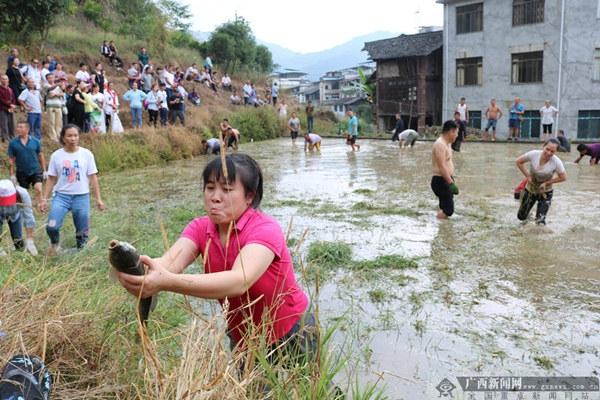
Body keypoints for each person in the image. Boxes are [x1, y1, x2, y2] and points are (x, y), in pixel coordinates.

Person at [115, 153, 315, 360]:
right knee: (254, 393)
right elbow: (167, 265)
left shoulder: (265, 229)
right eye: (210, 188)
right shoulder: (200, 228)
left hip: (292, 329)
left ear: (249, 196)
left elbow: (239, 280)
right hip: (243, 336)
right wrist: (133, 268)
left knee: (316, 390)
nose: (215, 197)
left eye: (227, 189)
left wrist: (167, 282)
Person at [40, 124, 105, 254]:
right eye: (69, 136)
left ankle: (81, 252)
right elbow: (51, 178)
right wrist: (44, 199)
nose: (73, 138)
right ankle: (55, 245)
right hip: (61, 197)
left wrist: (98, 199)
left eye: (75, 135)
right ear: (63, 138)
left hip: (81, 197)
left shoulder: (86, 154)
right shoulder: (56, 156)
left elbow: (93, 177)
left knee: (82, 231)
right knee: (52, 226)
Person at [516, 138, 567, 225]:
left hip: (545, 192)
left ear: (555, 152)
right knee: (521, 217)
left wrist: (546, 183)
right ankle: (529, 216)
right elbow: (519, 162)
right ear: (543, 146)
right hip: (530, 189)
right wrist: (528, 176)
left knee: (540, 222)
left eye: (552, 151)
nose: (549, 153)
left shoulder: (556, 162)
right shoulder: (534, 154)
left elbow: (563, 177)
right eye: (547, 149)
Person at [8, 120, 47, 207]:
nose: (18, 129)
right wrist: (12, 174)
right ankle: (26, 208)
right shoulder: (13, 143)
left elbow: (41, 156)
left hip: (35, 170)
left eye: (21, 127)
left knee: (38, 189)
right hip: (21, 172)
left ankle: (41, 206)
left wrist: (44, 170)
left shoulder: (35, 141)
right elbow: (11, 159)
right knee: (24, 193)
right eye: (17, 127)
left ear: (27, 129)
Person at [431, 120, 459, 219]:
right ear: (451, 131)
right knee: (448, 210)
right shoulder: (440, 144)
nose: (457, 136)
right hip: (441, 180)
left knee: (445, 207)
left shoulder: (448, 143)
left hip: (446, 179)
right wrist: (451, 183)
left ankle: (441, 226)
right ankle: (438, 225)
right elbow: (441, 166)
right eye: (456, 133)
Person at [44, 73, 63, 142]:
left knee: (59, 122)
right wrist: (57, 86)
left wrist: (55, 94)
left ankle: (59, 136)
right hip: (50, 106)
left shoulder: (57, 87)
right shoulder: (46, 85)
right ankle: (53, 137)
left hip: (58, 105)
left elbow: (62, 94)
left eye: (52, 77)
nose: (51, 79)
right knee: (51, 122)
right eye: (49, 78)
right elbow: (49, 93)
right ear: (47, 79)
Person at [0, 74, 16, 142]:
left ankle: (12, 137)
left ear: (8, 80)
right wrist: (10, 105)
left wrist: (13, 105)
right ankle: (5, 138)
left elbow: (14, 98)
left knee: (11, 124)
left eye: (6, 79)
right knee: (4, 124)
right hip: (2, 109)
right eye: (3, 79)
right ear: (0, 80)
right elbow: (1, 99)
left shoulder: (10, 89)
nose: (4, 80)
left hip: (10, 109)